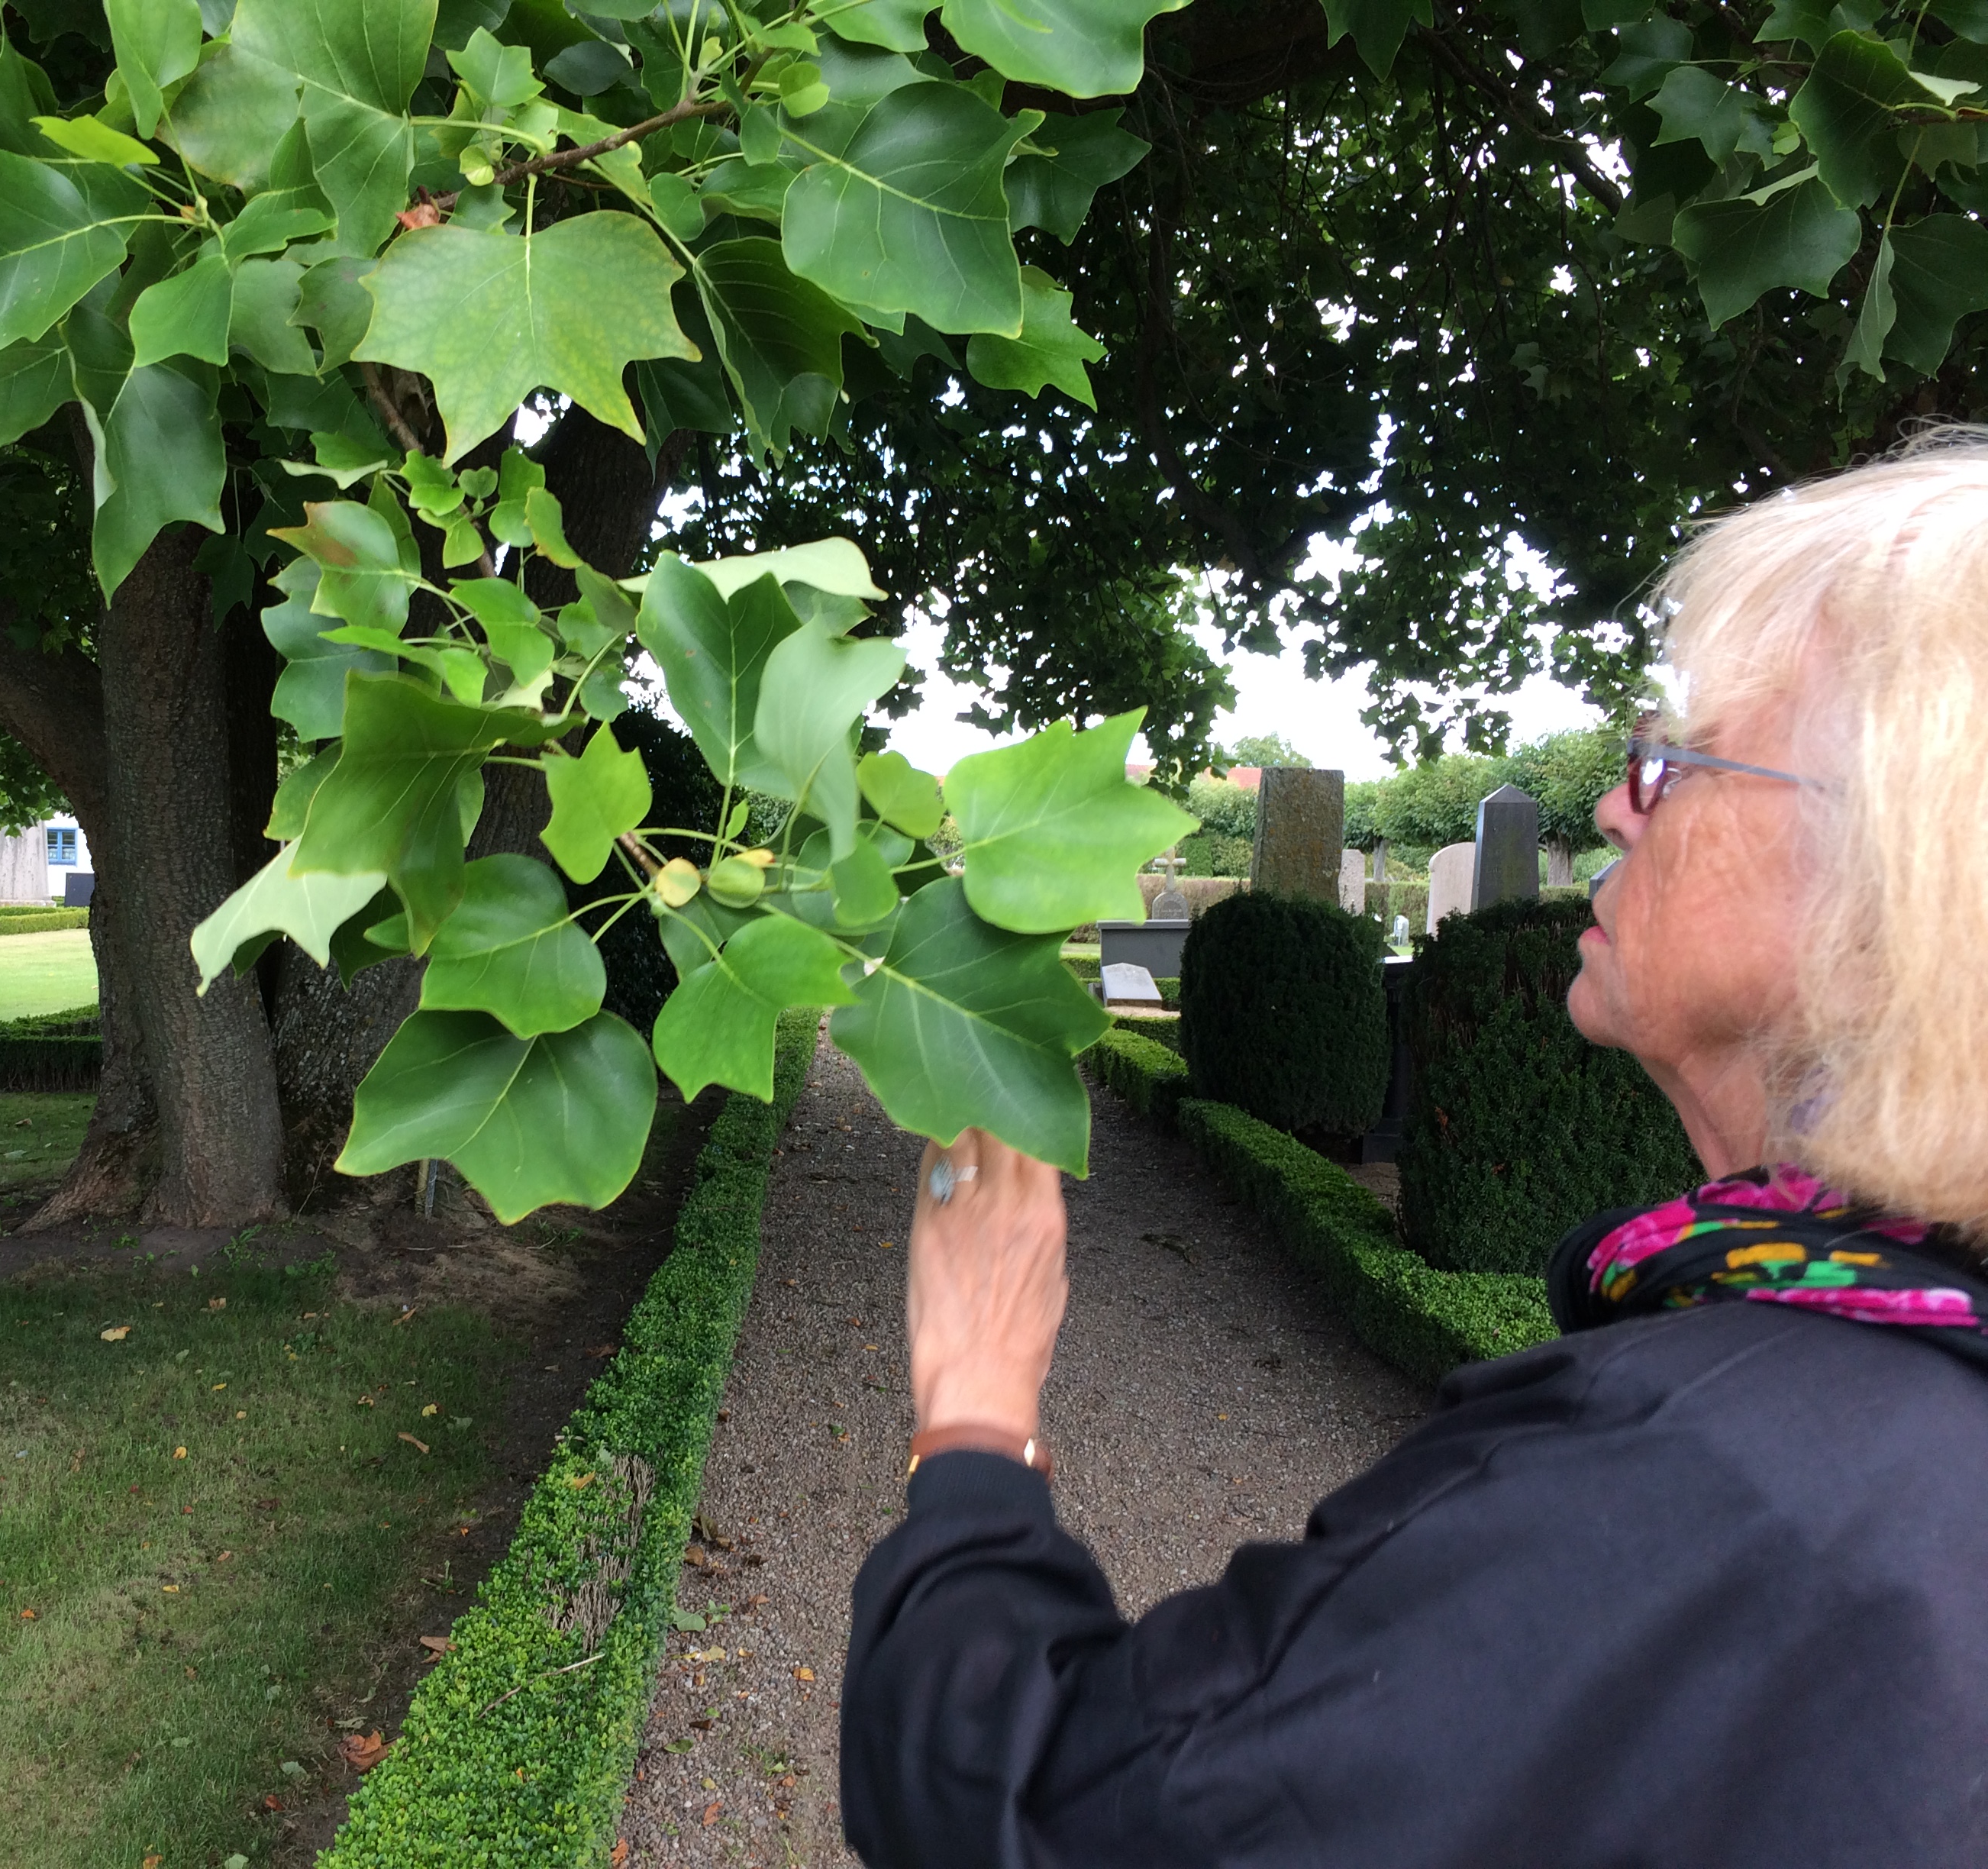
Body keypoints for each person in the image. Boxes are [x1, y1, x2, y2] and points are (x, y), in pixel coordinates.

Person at [840, 431, 1988, 1867]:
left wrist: (973, 1404)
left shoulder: (1719, 1484)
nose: (1614, 803)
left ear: (1894, 882)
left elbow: (1034, 1807)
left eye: (1672, 761)